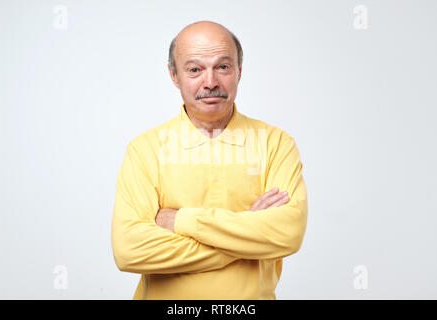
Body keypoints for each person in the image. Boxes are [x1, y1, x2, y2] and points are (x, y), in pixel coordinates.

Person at [111, 20, 308, 300]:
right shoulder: (145, 150)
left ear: (239, 71)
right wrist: (247, 234)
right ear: (174, 75)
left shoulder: (276, 144)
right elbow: (129, 251)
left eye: (223, 67)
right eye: (194, 69)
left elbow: (287, 234)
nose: (211, 82)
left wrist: (181, 221)